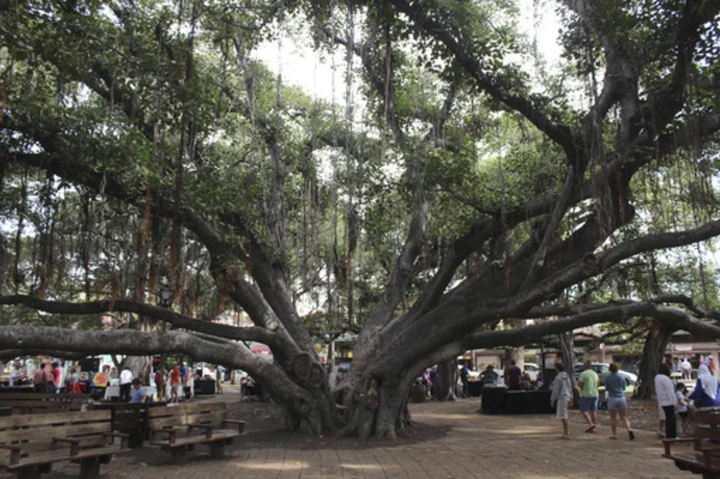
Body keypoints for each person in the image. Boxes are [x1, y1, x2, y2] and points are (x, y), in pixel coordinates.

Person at [604, 362, 635, 440]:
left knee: (613, 418)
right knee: (623, 416)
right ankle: (629, 429)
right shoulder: (621, 377)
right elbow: (624, 387)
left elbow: (607, 388)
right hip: (621, 397)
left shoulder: (608, 377)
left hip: (612, 398)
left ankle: (614, 434)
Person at [550, 363, 573, 439]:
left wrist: (553, 399)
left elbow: (555, 390)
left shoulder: (558, 378)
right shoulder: (567, 377)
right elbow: (570, 388)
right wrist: (570, 398)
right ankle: (565, 431)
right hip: (567, 396)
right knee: (564, 414)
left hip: (561, 397)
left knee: (563, 415)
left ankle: (566, 432)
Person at [655, 363, 678, 439]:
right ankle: (672, 436)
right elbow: (670, 392)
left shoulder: (657, 378)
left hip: (662, 401)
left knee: (668, 419)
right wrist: (674, 402)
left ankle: (669, 435)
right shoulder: (665, 379)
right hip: (669, 401)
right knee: (671, 419)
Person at [577, 360, 599, 433]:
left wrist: (579, 388)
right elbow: (598, 383)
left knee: (583, 410)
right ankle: (594, 427)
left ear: (586, 366)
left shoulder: (583, 374)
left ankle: (590, 424)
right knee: (593, 411)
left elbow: (580, 384)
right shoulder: (595, 374)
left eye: (584, 365)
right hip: (595, 393)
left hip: (586, 394)